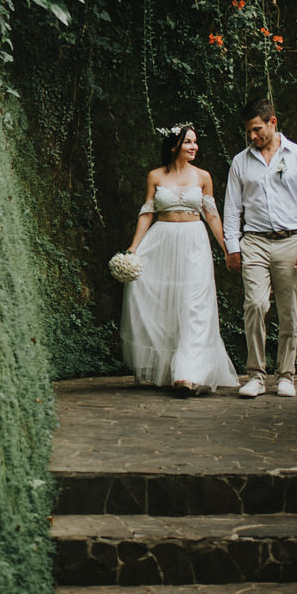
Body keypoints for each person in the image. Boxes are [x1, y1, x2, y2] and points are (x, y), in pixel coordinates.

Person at [119, 123, 240, 395]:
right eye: (188, 142)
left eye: (195, 142)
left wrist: (227, 249)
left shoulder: (203, 176)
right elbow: (147, 213)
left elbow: (212, 215)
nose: (194, 146)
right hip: (161, 240)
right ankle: (167, 366)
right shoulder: (155, 176)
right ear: (174, 145)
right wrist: (133, 248)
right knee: (161, 302)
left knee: (194, 304)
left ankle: (188, 373)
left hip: (194, 242)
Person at [223, 97, 297, 399]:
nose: (253, 137)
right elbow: (231, 209)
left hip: (291, 240)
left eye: (257, 130)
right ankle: (255, 374)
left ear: (272, 122)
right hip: (253, 241)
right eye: (248, 132)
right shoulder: (241, 162)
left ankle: (286, 375)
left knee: (290, 310)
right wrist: (232, 247)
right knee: (255, 304)